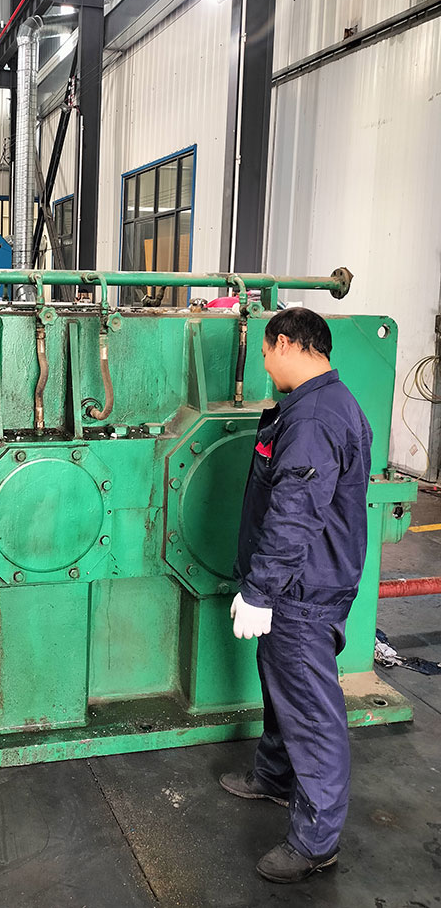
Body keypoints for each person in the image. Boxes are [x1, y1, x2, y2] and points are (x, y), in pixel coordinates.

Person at [220, 307, 373, 884]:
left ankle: (315, 841)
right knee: (283, 687)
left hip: (300, 590)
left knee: (309, 710)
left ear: (286, 343)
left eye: (264, 353)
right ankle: (275, 777)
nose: (265, 365)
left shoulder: (312, 417)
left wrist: (261, 589)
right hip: (300, 585)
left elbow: (295, 512)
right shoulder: (330, 402)